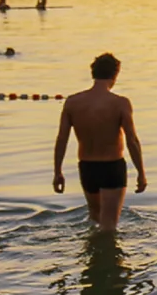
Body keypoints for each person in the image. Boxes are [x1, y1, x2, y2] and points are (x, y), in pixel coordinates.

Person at [54, 52, 147, 231]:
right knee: (109, 227)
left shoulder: (72, 102)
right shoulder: (120, 103)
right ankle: (106, 256)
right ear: (115, 74)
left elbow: (61, 139)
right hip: (112, 167)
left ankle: (91, 255)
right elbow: (132, 140)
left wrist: (58, 171)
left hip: (87, 167)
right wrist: (141, 172)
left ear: (93, 73)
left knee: (95, 220)